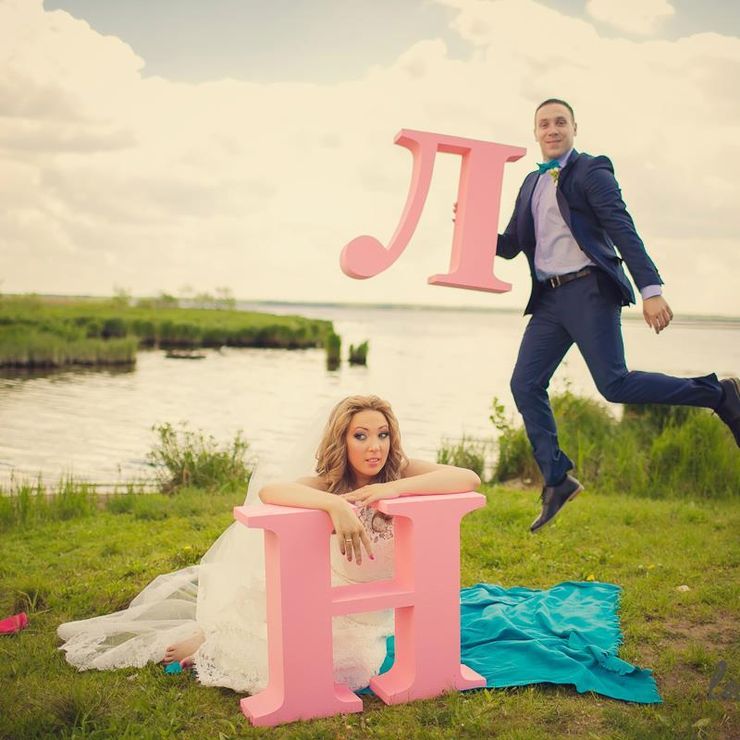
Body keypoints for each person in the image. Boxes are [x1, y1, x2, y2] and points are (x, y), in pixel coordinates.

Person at [57, 395, 662, 704]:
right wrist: (336, 505)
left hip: (376, 604)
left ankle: (208, 644)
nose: (373, 446)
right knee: (261, 650)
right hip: (334, 596)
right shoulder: (331, 482)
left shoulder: (395, 467)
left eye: (382, 434)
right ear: (342, 439)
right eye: (361, 436)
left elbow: (468, 479)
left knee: (355, 661)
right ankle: (203, 643)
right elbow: (272, 488)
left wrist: (392, 486)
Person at [494, 98, 740, 533]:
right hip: (549, 301)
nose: (552, 129)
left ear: (574, 128)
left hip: (589, 289)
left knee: (614, 385)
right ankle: (556, 479)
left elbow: (622, 227)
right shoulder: (530, 184)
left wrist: (651, 290)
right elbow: (512, 243)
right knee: (524, 383)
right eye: (544, 124)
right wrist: (472, 229)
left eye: (560, 122)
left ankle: (718, 394)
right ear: (534, 133)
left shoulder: (592, 170)